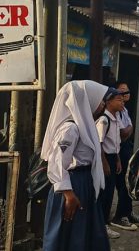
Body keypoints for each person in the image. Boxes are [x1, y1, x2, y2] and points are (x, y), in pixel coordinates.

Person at [41, 81, 112, 251]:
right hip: (72, 186)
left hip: (83, 183)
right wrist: (68, 194)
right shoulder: (70, 129)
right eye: (100, 100)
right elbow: (56, 163)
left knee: (83, 236)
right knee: (69, 236)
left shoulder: (85, 126)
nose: (102, 105)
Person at [111, 83, 139, 231]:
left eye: (127, 91)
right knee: (123, 184)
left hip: (125, 148)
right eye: (121, 92)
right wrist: (130, 129)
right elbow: (123, 133)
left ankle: (128, 212)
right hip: (117, 149)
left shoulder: (124, 110)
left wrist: (129, 130)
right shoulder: (114, 113)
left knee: (129, 182)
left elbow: (128, 131)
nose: (125, 94)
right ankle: (119, 216)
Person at [96, 88, 125, 239]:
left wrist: (118, 159)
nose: (122, 102)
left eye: (122, 99)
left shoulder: (116, 117)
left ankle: (103, 223)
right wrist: (104, 163)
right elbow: (99, 143)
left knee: (110, 192)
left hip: (113, 157)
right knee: (105, 193)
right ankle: (102, 225)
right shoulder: (104, 120)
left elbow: (115, 142)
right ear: (108, 102)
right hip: (105, 158)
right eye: (118, 100)